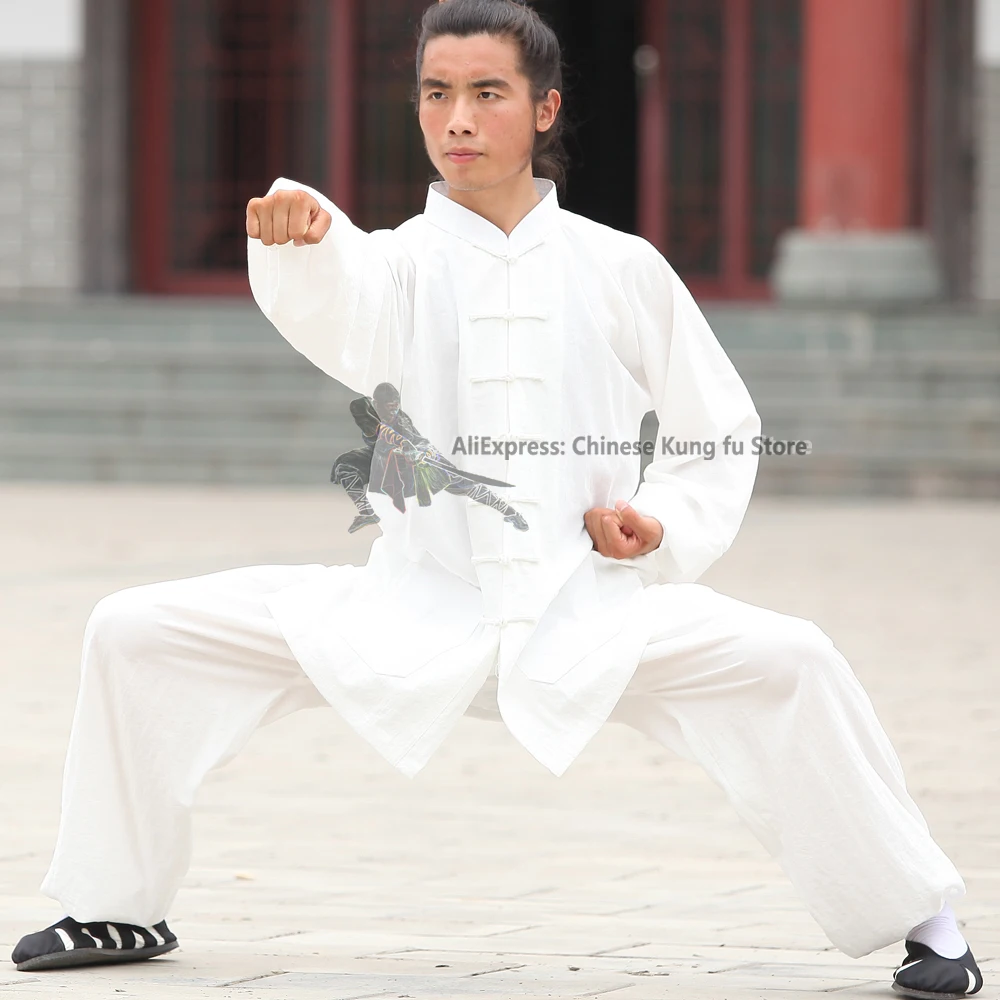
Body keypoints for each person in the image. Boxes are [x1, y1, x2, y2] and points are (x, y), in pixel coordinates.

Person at [11, 1, 983, 996]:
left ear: (544, 108)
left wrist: (658, 524)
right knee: (134, 630)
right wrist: (303, 228)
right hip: (408, 608)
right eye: (437, 94)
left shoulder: (621, 267)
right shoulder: (396, 264)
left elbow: (717, 430)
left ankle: (926, 918)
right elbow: (342, 296)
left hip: (589, 613)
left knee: (794, 659)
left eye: (487, 93)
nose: (459, 119)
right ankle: (116, 904)